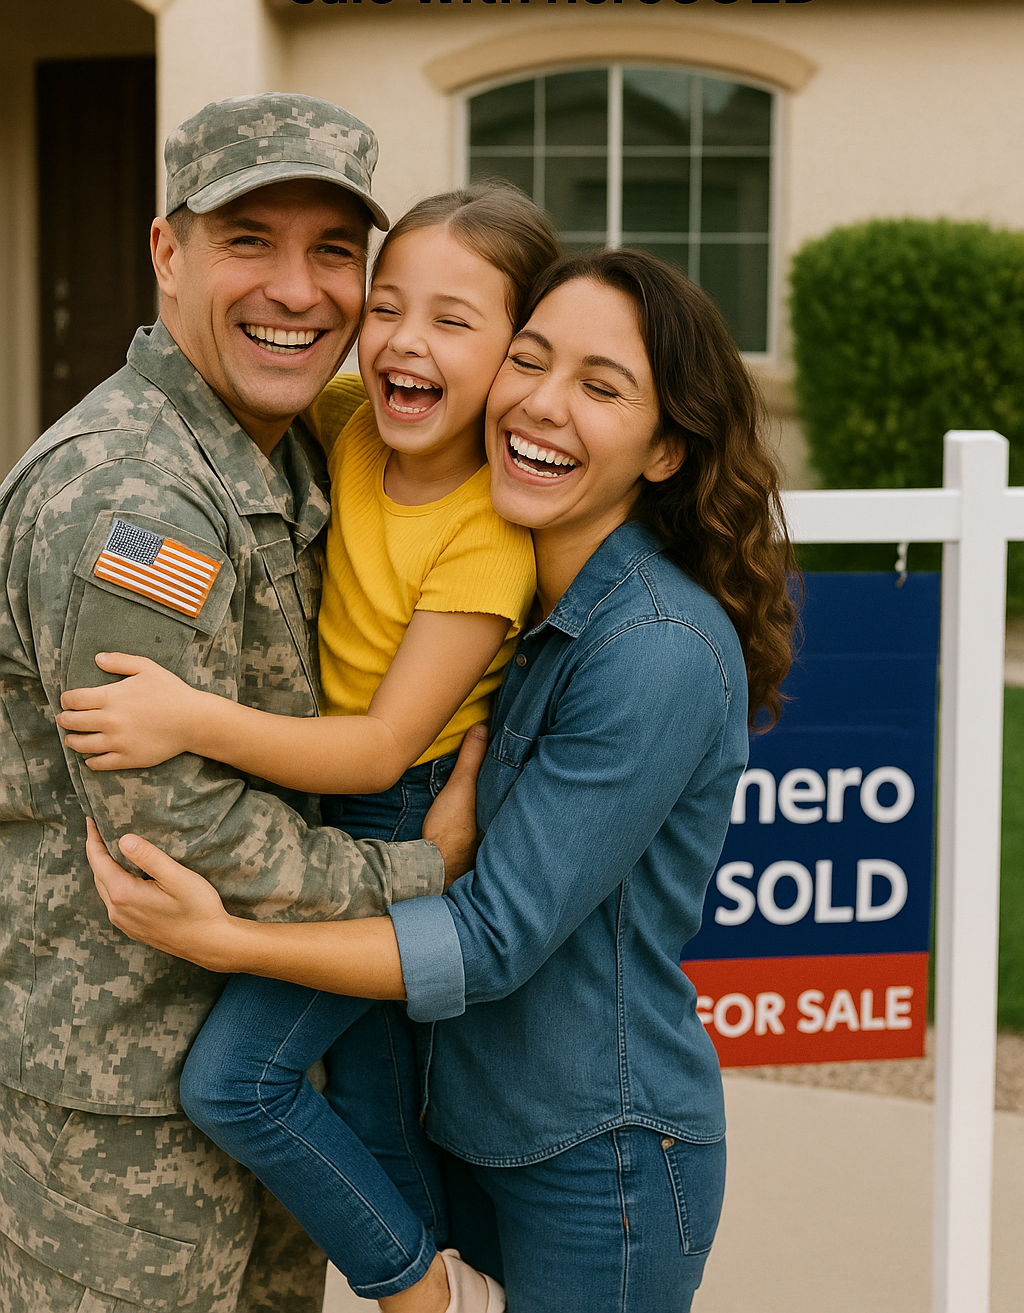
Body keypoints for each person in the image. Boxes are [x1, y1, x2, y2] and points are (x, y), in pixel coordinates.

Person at [86, 249, 798, 1313]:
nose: (541, 405)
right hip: (456, 1129)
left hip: (597, 1161)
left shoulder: (653, 647)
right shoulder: (506, 605)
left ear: (663, 451)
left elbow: (495, 940)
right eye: (529, 360)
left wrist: (222, 940)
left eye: (601, 389)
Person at [0, 92, 482, 1313]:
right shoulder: (136, 497)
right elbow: (175, 829)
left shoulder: (289, 441)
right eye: (249, 241)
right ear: (168, 253)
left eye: (334, 252)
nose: (299, 290)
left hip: (261, 1064)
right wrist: (419, 879)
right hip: (118, 1111)